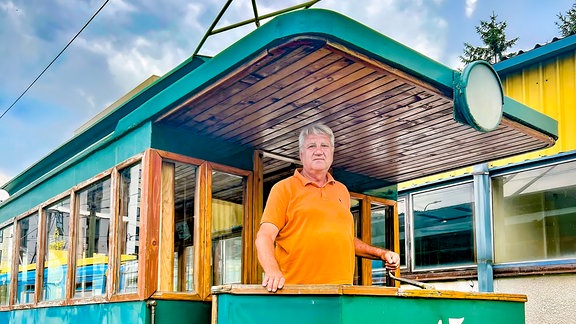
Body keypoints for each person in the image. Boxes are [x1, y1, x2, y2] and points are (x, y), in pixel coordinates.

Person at [255, 123, 400, 292]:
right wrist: (272, 271)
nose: (318, 151)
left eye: (324, 145)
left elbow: (345, 240)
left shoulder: (342, 191)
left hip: (342, 292)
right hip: (298, 292)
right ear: (301, 155)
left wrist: (381, 254)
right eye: (311, 146)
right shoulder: (283, 189)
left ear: (331, 153)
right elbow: (264, 236)